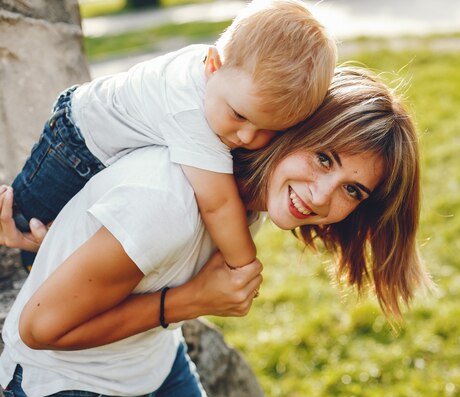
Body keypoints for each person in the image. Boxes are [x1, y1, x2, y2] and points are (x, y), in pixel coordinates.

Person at [0, 67, 433, 397]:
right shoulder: (166, 200)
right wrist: (193, 300)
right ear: (291, 125)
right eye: (324, 158)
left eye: (352, 190)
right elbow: (40, 330)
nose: (322, 196)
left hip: (153, 364)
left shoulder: (245, 197)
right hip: (67, 391)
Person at [10, 0, 337, 271]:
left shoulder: (228, 83)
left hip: (101, 147)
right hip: (73, 145)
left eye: (270, 131)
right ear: (212, 64)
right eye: (239, 115)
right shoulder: (188, 109)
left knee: (65, 236)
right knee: (26, 217)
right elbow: (218, 205)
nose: (247, 137)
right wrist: (244, 265)